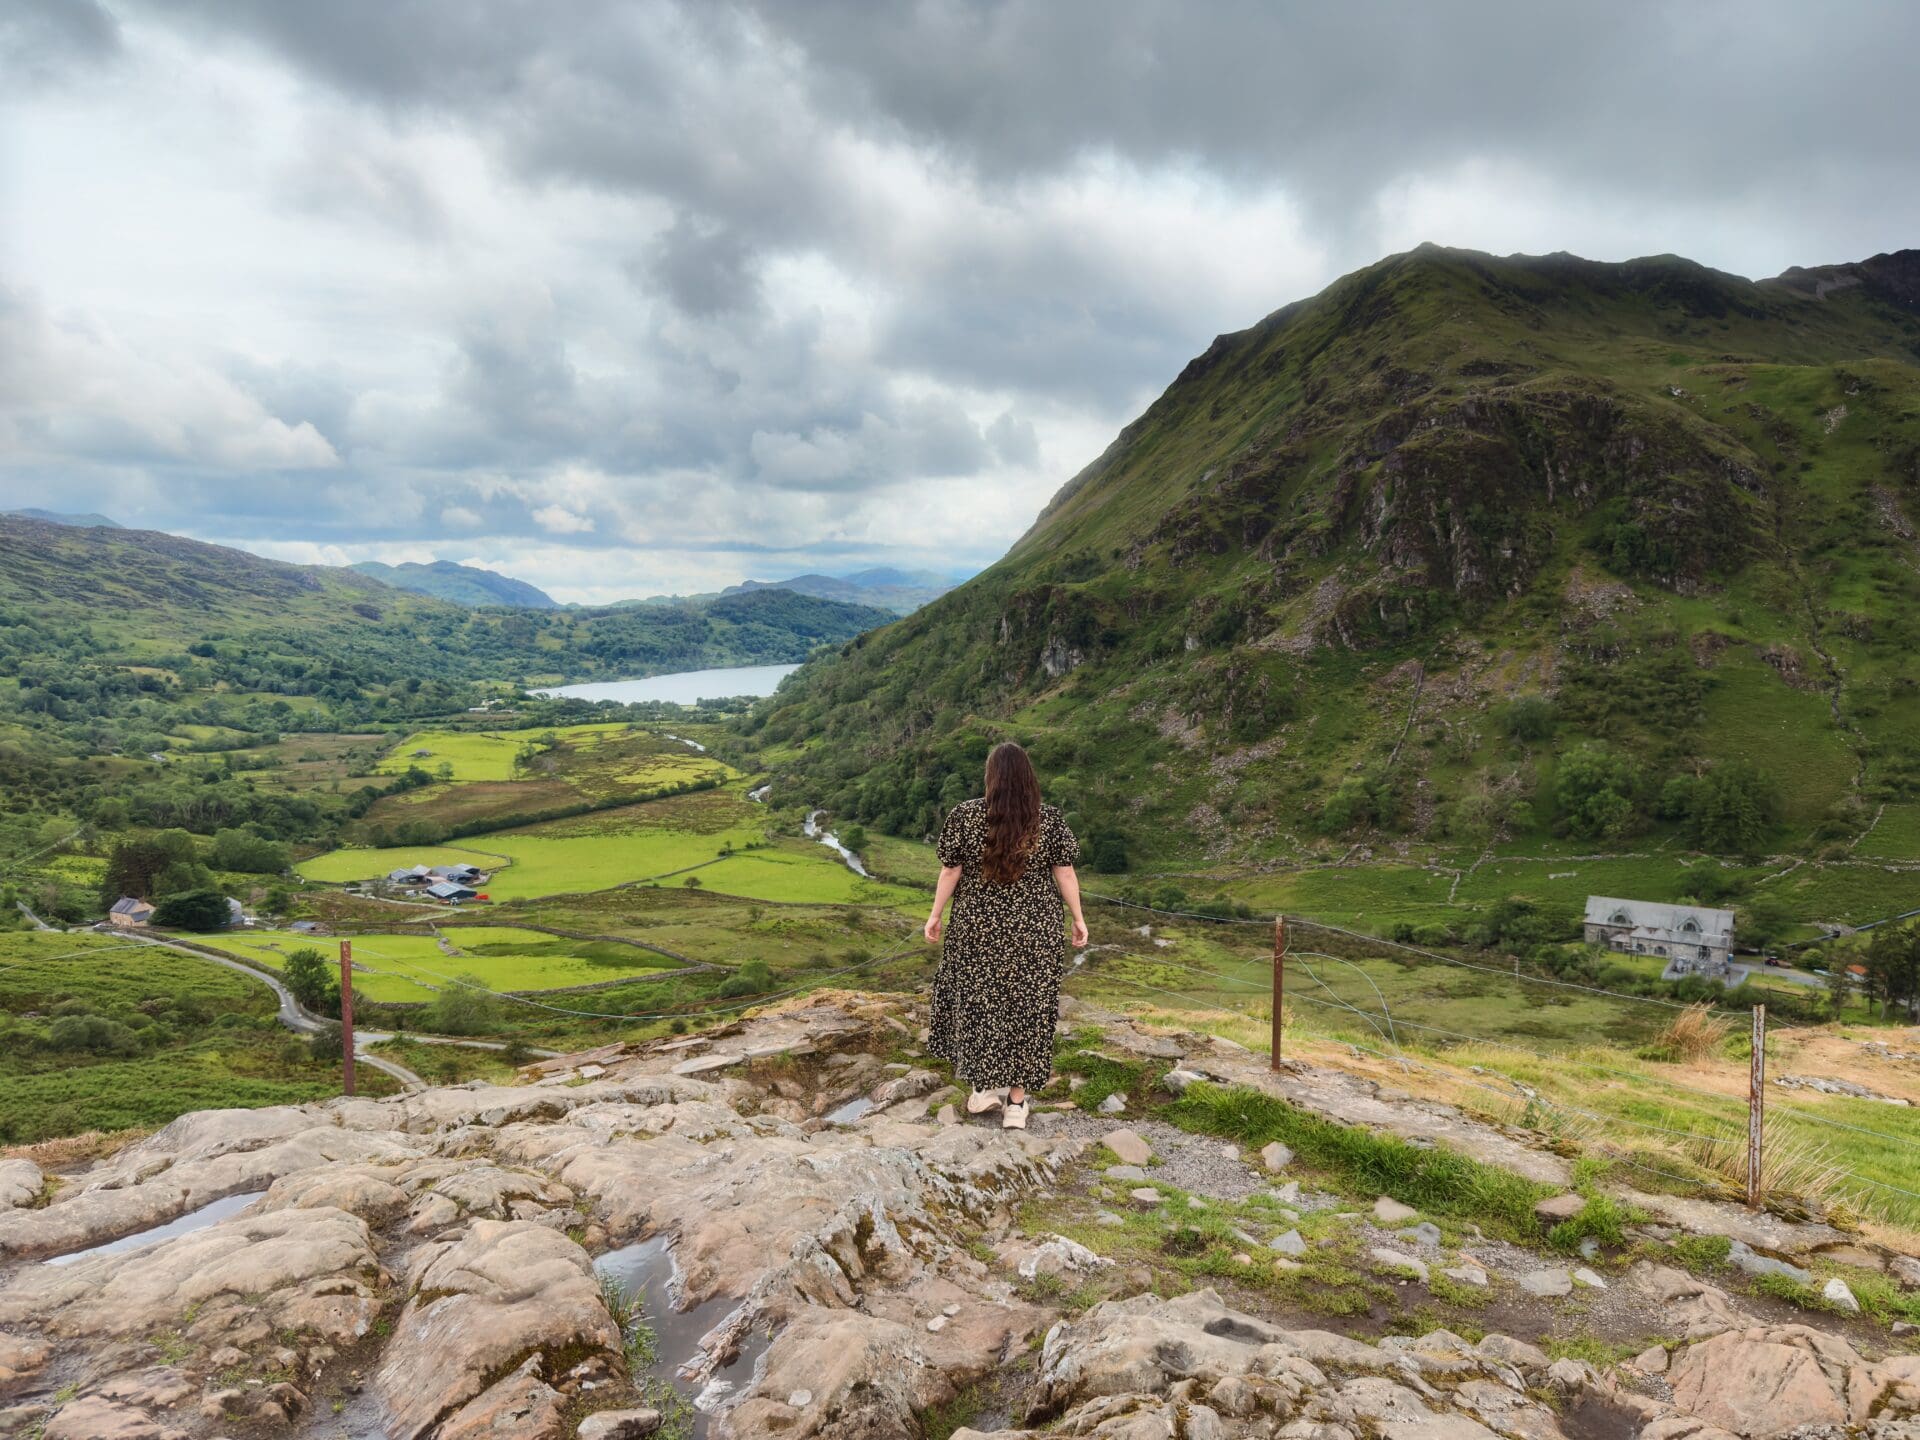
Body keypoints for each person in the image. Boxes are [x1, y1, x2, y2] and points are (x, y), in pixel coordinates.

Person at [923, 741, 1088, 1129]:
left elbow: (950, 870)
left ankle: (982, 1090)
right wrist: (1078, 919)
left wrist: (935, 914)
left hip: (977, 929)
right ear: (1028, 778)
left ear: (991, 777)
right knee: (1029, 1008)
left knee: (980, 1004)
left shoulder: (965, 815)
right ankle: (1016, 1104)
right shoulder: (1048, 820)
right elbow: (1065, 872)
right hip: (1036, 930)